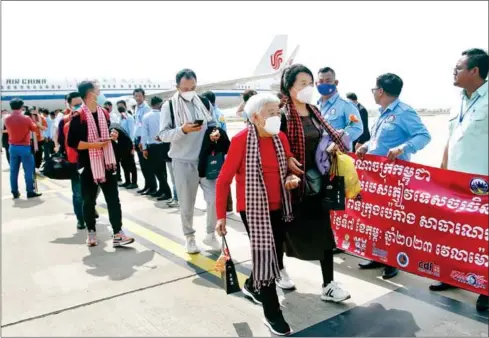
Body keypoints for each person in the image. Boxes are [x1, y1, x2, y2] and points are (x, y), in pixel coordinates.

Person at [216, 93, 299, 335]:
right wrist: (220, 215)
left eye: (278, 112)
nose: (277, 117)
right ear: (255, 117)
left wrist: (291, 178)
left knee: (275, 250)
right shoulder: (242, 140)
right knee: (266, 256)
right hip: (253, 210)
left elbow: (285, 171)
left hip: (279, 206)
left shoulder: (280, 138)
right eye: (271, 113)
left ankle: (252, 285)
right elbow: (224, 179)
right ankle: (272, 314)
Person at [280, 64, 351, 303]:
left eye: (311, 83)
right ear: (289, 87)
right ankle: (278, 269)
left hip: (318, 183)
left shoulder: (314, 111)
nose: (309, 88)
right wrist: (287, 162)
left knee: (323, 233)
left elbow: (328, 136)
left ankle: (328, 284)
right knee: (281, 231)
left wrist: (332, 145)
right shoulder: (281, 114)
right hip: (291, 186)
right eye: (303, 84)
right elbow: (271, 147)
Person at [356, 73, 431, 279]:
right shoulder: (381, 113)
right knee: (376, 218)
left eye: (374, 89)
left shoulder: (404, 112)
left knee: (393, 221)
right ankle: (376, 255)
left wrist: (402, 148)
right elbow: (377, 141)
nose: (373, 93)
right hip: (376, 179)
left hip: (395, 178)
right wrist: (365, 146)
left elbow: (424, 136)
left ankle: (393, 260)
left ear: (380, 91)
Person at [432, 48, 488, 312]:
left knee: (483, 238)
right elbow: (452, 137)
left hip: (483, 185)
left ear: (474, 70)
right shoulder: (459, 101)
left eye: (458, 67)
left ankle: (485, 288)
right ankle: (453, 276)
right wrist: (443, 169)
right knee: (457, 234)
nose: (454, 71)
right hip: (456, 181)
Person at [158, 68, 220, 253]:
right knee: (186, 203)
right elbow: (163, 135)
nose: (189, 91)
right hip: (183, 161)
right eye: (185, 88)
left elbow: (213, 123)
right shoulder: (168, 106)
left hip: (205, 159)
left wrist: (215, 132)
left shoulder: (203, 102)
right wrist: (182, 130)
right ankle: (189, 237)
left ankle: (210, 234)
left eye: (192, 87)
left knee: (215, 198)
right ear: (177, 87)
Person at [67, 81, 134, 247]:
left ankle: (118, 233)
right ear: (91, 94)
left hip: (107, 162)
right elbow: (73, 142)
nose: (100, 92)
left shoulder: (104, 113)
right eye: (98, 90)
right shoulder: (77, 116)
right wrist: (95, 145)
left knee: (113, 199)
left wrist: (113, 133)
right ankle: (91, 231)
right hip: (88, 165)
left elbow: (109, 129)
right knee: (88, 201)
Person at [316, 67, 363, 149]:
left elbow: (357, 128)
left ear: (336, 82)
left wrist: (339, 139)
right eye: (321, 81)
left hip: (338, 155)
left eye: (328, 81)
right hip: (318, 156)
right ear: (316, 83)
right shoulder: (314, 107)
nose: (324, 84)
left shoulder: (346, 105)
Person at [4, 98, 42, 199]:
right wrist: (33, 119)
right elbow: (34, 128)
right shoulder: (26, 118)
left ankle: (14, 192)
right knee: (28, 170)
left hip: (12, 147)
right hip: (25, 147)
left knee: (13, 171)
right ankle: (30, 191)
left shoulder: (6, 118)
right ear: (21, 107)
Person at [61, 92, 86, 230]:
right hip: (74, 161)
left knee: (92, 190)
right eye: (75, 105)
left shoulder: (88, 118)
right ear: (69, 105)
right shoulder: (64, 121)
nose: (78, 107)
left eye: (80, 104)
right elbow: (60, 141)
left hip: (89, 160)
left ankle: (89, 208)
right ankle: (80, 219)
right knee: (77, 193)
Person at [142, 96, 172, 200]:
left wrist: (144, 148)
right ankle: (162, 190)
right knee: (163, 170)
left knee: (157, 171)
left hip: (153, 147)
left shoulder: (146, 117)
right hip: (164, 145)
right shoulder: (164, 115)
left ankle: (167, 192)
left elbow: (144, 134)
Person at [133, 88, 153, 195]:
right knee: (143, 165)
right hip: (137, 139)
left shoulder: (146, 108)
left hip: (143, 140)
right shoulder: (137, 108)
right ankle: (147, 185)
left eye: (140, 96)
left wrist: (143, 141)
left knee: (147, 165)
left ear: (144, 96)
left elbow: (146, 127)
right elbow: (136, 125)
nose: (138, 98)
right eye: (136, 96)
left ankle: (152, 187)